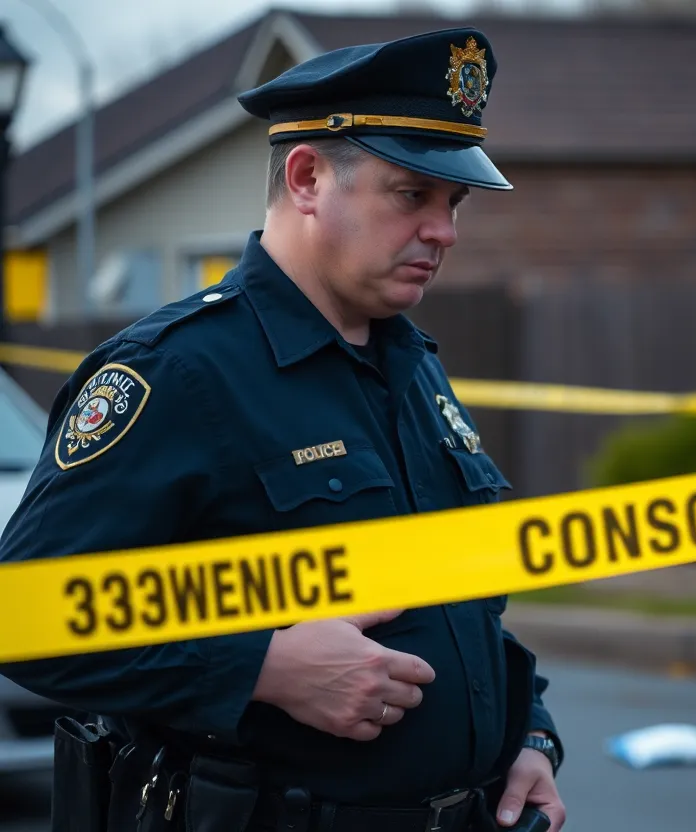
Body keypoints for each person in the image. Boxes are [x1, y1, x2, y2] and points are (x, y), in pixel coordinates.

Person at [0, 27, 565, 832]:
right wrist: (258, 667)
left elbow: (465, 605)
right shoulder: (178, 374)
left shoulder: (411, 367)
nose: (444, 232)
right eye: (413, 195)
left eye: (453, 203)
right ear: (306, 178)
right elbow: (23, 615)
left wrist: (531, 736)